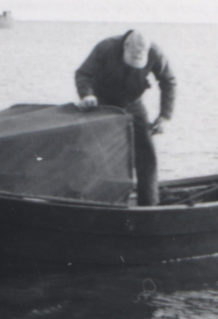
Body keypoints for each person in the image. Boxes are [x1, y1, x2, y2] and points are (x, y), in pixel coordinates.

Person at [74, 30, 176, 206]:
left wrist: (165, 116)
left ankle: (149, 204)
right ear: (125, 46)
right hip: (102, 102)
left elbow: (168, 81)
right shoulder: (106, 47)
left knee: (146, 154)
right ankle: (97, 201)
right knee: (98, 154)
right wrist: (86, 95)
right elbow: (83, 74)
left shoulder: (155, 52)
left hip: (133, 103)